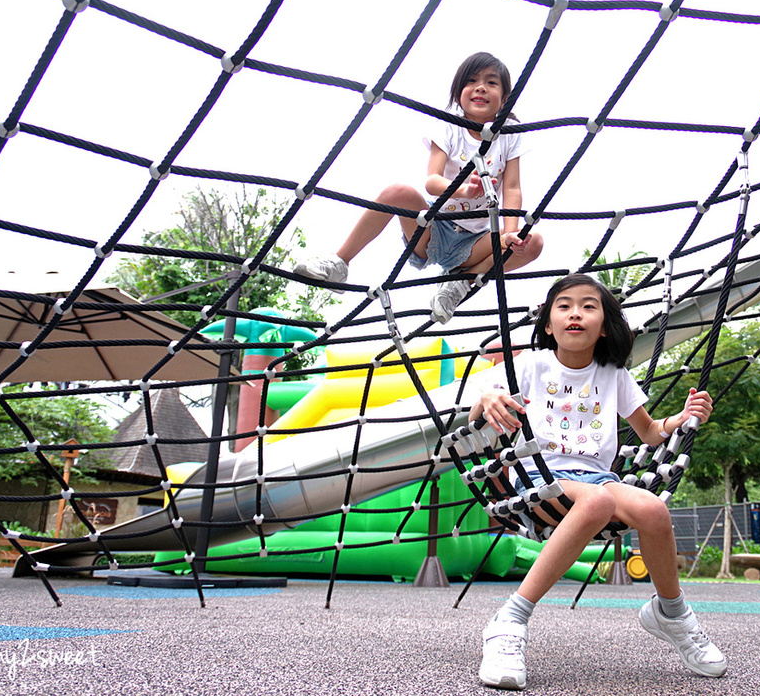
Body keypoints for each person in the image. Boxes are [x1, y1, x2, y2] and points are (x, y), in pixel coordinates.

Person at [470, 273, 726, 690]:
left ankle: (671, 613)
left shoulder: (614, 374)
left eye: (589, 306)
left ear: (604, 325)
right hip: (538, 476)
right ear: (548, 324)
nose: (576, 313)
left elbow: (649, 432)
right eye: (565, 305)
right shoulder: (532, 364)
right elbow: (479, 407)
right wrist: (488, 398)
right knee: (596, 503)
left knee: (653, 508)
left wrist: (679, 420)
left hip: (598, 478)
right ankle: (509, 621)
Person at [295, 51, 543, 323]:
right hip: (434, 229)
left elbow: (512, 189)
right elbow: (432, 181)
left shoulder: (509, 132)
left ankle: (462, 281)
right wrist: (462, 189)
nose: (481, 87)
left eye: (491, 83)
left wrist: (509, 234)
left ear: (505, 97)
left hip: (475, 244)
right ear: (458, 93)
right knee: (397, 193)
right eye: (471, 81)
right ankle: (340, 262)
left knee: (532, 242)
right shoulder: (450, 126)